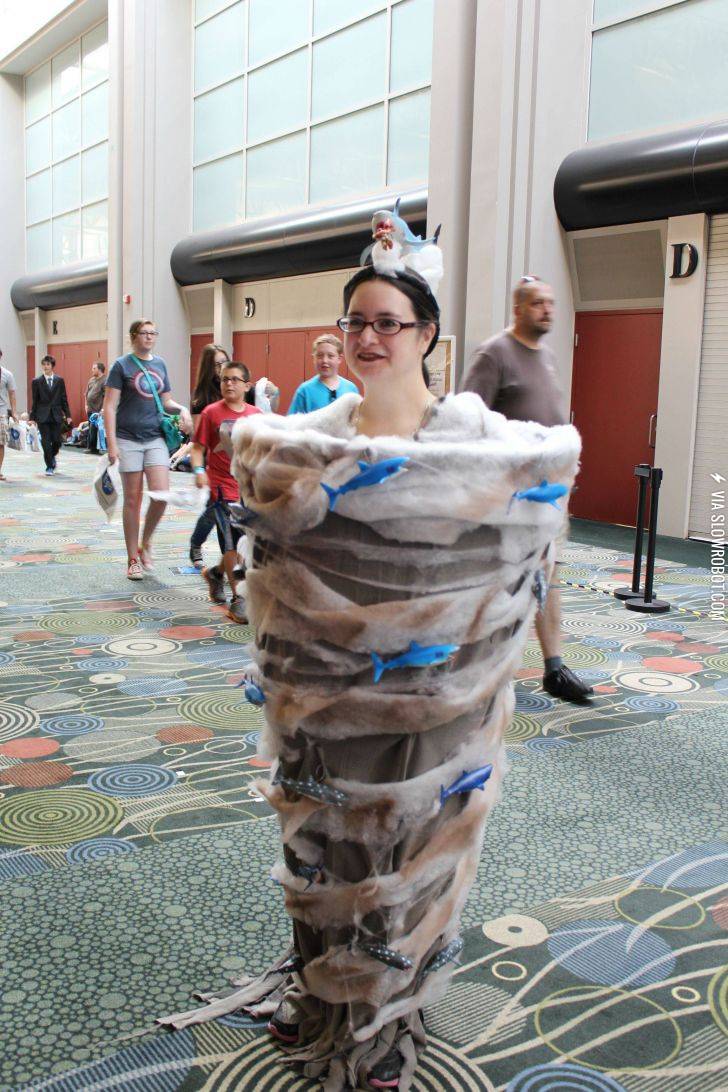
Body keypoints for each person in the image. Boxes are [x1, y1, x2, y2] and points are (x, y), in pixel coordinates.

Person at [160, 214, 580, 1091]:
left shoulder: (468, 444)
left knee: (411, 839)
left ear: (427, 335)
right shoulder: (318, 437)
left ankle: (389, 1014)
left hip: (441, 689)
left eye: (389, 322)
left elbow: (517, 536)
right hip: (326, 681)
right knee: (328, 832)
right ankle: (321, 990)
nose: (368, 338)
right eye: (355, 322)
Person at [462, 276, 594, 705]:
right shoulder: (495, 353)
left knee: (548, 577)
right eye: (538, 303)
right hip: (510, 499)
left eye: (551, 303)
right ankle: (480, 664)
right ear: (518, 309)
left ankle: (554, 667)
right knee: (502, 582)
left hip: (550, 495)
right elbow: (468, 420)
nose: (548, 310)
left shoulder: (548, 357)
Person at [103, 318, 192, 581]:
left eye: (153, 333)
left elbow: (166, 401)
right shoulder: (121, 366)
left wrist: (183, 409)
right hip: (128, 438)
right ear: (133, 336)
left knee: (161, 494)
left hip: (154, 437)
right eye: (144, 333)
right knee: (133, 499)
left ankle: (146, 541)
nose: (149, 337)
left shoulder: (160, 364)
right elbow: (109, 406)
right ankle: (132, 558)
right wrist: (111, 444)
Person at [191, 360, 261, 621]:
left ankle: (216, 573)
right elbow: (198, 449)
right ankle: (239, 598)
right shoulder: (211, 412)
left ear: (246, 385)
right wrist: (199, 472)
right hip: (222, 488)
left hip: (249, 489)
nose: (229, 383)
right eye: (224, 379)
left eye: (234, 379)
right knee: (231, 542)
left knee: (246, 544)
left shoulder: (256, 415)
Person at [188, 343, 229, 568]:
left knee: (220, 511)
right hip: (213, 462)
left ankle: (226, 559)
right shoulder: (202, 398)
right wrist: (199, 470)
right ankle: (198, 543)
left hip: (234, 462)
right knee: (219, 510)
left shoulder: (234, 387)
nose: (222, 368)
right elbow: (199, 439)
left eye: (224, 362)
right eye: (216, 364)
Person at [287, 334, 358, 414]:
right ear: (314, 358)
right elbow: (293, 422)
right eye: (320, 356)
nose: (325, 360)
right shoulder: (305, 391)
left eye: (330, 356)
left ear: (339, 359)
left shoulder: (351, 389)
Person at [30, 355, 72, 476]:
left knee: (57, 441)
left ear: (52, 366)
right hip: (42, 415)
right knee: (46, 441)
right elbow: (35, 400)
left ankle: (51, 456)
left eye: (48, 364)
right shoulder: (37, 381)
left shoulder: (59, 380)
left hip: (56, 415)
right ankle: (49, 466)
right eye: (44, 364)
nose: (45, 366)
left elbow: (64, 398)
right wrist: (32, 418)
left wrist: (68, 415)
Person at [0, 349, 18, 481]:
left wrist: (14, 412)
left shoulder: (7, 374)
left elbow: (12, 393)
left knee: (0, 443)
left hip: (1, 413)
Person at [84, 361, 106, 453]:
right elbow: (86, 394)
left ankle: (92, 448)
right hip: (90, 408)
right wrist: (85, 405)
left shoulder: (105, 380)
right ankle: (91, 447)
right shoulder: (91, 380)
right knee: (90, 428)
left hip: (97, 410)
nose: (92, 370)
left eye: (94, 368)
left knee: (94, 428)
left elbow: (106, 396)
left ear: (100, 370)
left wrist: (103, 409)